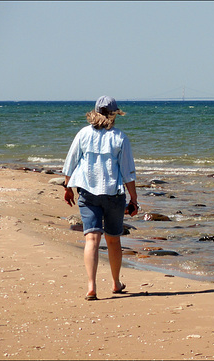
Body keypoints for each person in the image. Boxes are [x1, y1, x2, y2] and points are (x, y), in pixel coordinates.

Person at [62, 95, 139, 301]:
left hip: (87, 193)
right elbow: (127, 173)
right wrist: (134, 199)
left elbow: (70, 163)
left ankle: (91, 287)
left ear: (95, 112)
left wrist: (68, 188)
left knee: (92, 239)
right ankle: (115, 282)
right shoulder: (120, 137)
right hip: (113, 195)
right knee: (113, 240)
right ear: (115, 115)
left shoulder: (83, 134)